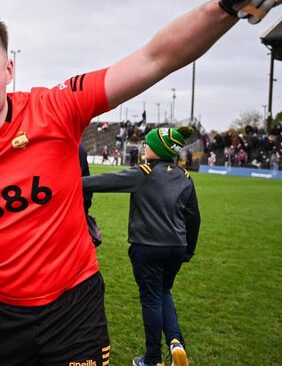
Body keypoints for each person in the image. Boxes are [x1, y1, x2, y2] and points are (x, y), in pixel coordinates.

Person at [0, 0, 282, 365]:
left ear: (8, 70)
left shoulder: (55, 108)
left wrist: (222, 8)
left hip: (75, 309)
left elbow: (155, 58)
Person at [83, 127, 200, 366]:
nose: (144, 146)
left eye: (148, 143)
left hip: (147, 247)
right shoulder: (185, 177)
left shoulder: (143, 173)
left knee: (151, 299)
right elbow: (194, 218)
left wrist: (66, 181)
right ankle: (176, 342)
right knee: (164, 292)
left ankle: (152, 359)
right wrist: (188, 250)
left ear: (158, 149)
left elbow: (101, 182)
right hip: (177, 247)